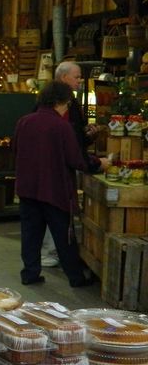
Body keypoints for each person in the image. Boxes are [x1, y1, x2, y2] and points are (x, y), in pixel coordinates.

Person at [14, 80, 110, 288]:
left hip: (28, 187)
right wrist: (99, 163)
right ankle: (75, 277)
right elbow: (76, 159)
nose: (67, 107)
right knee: (63, 236)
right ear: (59, 101)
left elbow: (16, 150)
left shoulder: (24, 121)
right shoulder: (61, 126)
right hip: (54, 189)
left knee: (30, 234)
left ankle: (30, 273)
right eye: (67, 103)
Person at [41, 61, 106, 267]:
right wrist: (92, 163)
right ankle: (51, 253)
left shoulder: (72, 103)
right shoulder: (51, 106)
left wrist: (88, 136)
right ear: (63, 78)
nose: (80, 80)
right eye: (76, 77)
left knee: (60, 209)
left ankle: (57, 252)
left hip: (66, 163)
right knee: (54, 209)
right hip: (55, 167)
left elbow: (74, 137)